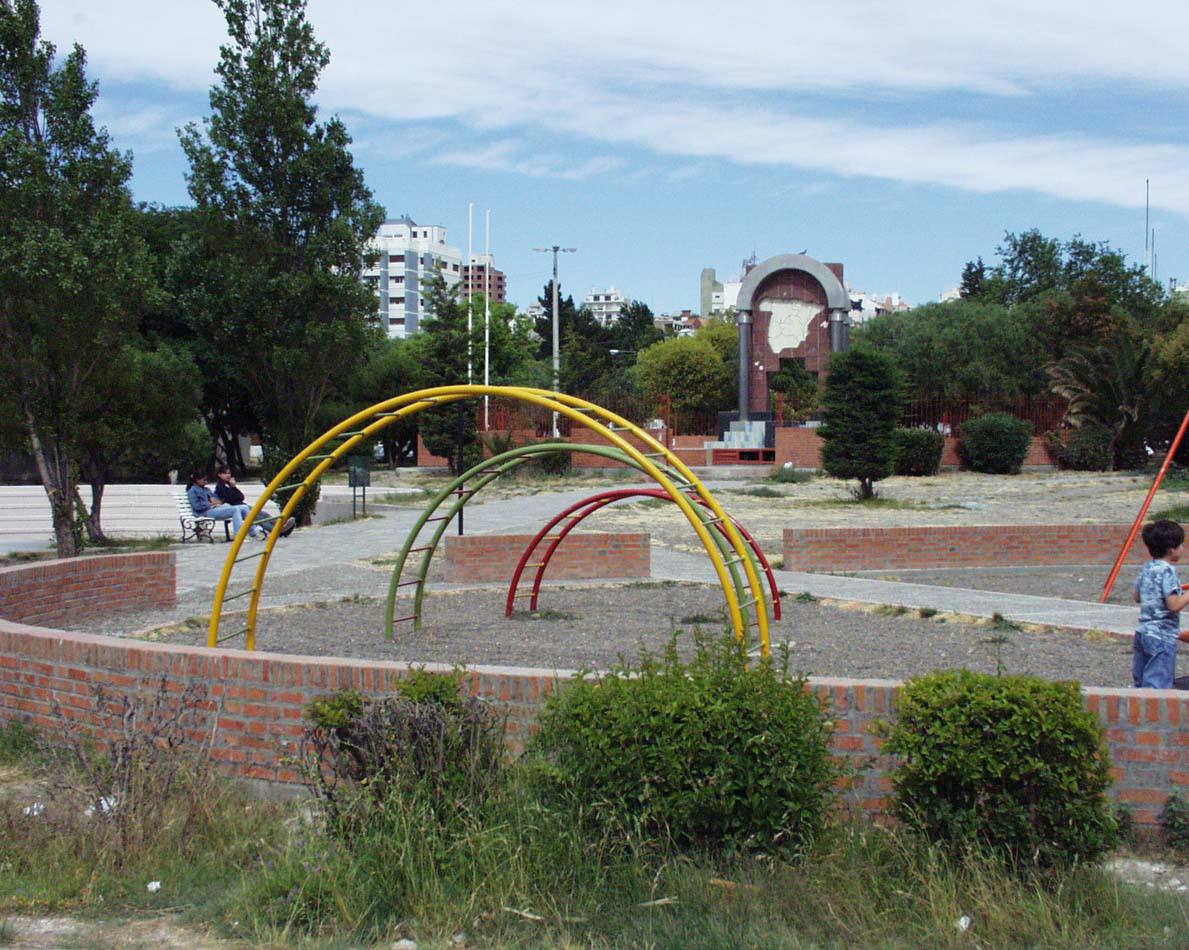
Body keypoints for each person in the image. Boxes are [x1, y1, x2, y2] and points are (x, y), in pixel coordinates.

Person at [1132, 519, 1189, 688]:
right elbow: (1174, 605)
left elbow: (1137, 597)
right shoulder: (1167, 570)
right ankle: (1153, 715)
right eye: (1181, 545)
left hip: (1142, 632)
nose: (1183, 549)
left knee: (1140, 683)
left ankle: (1137, 713)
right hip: (1162, 636)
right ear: (1171, 549)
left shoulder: (1147, 568)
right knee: (1158, 686)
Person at [213, 465, 297, 539]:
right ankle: (277, 531)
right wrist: (233, 488)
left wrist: (233, 487)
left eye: (229, 473)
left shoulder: (229, 485)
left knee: (264, 514)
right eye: (225, 473)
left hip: (242, 505)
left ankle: (280, 526)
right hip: (237, 508)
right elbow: (231, 499)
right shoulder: (220, 487)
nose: (228, 475)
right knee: (258, 518)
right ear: (219, 475)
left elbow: (241, 497)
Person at [186, 470, 259, 539]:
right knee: (235, 509)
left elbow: (218, 500)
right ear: (197, 480)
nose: (206, 481)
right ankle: (239, 535)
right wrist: (210, 504)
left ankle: (253, 532)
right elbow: (196, 506)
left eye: (206, 479)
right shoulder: (192, 491)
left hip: (215, 508)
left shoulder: (207, 489)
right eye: (204, 480)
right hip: (205, 512)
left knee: (244, 507)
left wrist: (216, 501)